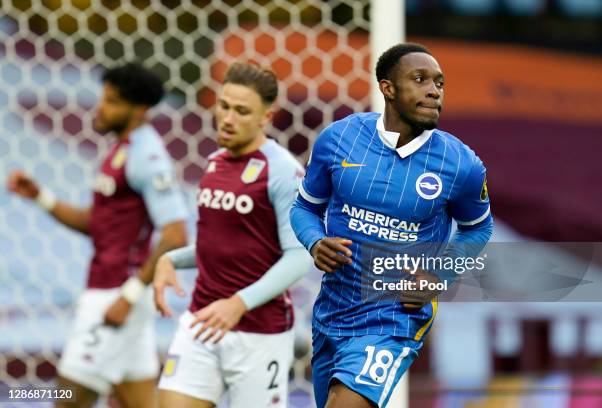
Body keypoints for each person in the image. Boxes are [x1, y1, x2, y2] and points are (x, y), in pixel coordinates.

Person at [290, 43, 494, 408]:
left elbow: (478, 229)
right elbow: (304, 207)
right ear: (388, 88)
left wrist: (439, 275)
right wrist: (315, 242)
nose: (434, 90)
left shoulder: (461, 165)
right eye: (420, 80)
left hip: (396, 313)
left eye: (439, 83)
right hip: (334, 306)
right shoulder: (339, 140)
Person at [6, 63, 188, 408]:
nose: (100, 108)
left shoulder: (147, 156)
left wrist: (129, 295)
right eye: (103, 98)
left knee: (66, 397)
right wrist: (41, 197)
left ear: (139, 110)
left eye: (112, 102)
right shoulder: (122, 150)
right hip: (114, 298)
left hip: (114, 299)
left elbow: (176, 234)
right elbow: (99, 223)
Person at [153, 62, 312, 408]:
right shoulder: (213, 163)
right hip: (202, 321)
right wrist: (171, 259)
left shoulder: (283, 169)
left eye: (242, 111)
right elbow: (221, 246)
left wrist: (239, 303)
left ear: (265, 118)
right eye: (224, 106)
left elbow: (300, 256)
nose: (228, 118)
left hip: (258, 334)